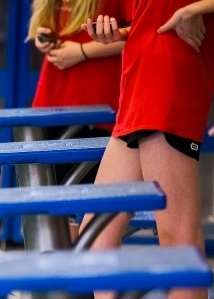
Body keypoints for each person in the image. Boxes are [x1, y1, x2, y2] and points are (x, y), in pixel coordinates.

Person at [81, 0, 214, 299]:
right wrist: (108, 31)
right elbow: (143, 18)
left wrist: (198, 9)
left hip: (170, 80)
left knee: (178, 243)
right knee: (97, 234)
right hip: (136, 84)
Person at [28, 0, 134, 184]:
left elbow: (143, 31)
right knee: (49, 195)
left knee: (86, 197)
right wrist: (42, 37)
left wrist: (83, 51)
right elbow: (46, 23)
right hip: (51, 97)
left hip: (96, 104)